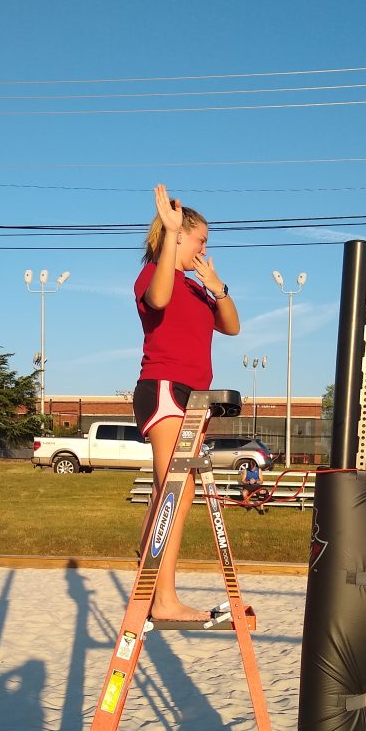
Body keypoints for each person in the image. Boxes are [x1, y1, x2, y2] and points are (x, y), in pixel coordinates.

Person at [132, 184, 240, 621]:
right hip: (164, 387)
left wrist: (218, 287)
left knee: (168, 491)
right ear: (178, 235)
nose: (205, 248)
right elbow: (158, 298)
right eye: (200, 240)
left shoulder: (198, 289)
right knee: (177, 488)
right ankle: (165, 600)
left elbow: (232, 327)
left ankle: (148, 587)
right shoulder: (154, 276)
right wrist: (169, 235)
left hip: (196, 399)